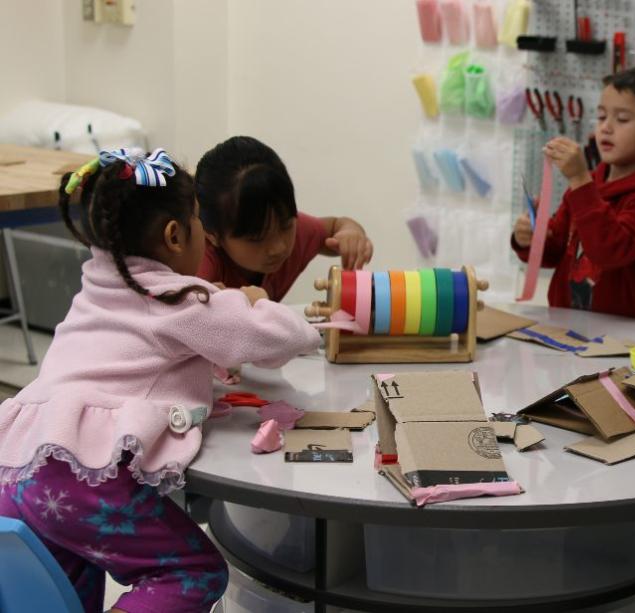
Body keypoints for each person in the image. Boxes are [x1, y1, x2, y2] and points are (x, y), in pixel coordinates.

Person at [0, 148, 320, 612]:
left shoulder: (97, 283)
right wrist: (253, 302)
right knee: (194, 573)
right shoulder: (178, 299)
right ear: (175, 236)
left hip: (25, 469)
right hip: (85, 481)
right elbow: (279, 340)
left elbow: (145, 357)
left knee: (71, 592)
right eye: (197, 224)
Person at [511, 65, 635, 324]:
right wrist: (530, 238)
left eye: (622, 119)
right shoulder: (590, 183)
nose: (605, 128)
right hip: (572, 329)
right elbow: (553, 253)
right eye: (602, 116)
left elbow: (609, 250)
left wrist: (579, 181)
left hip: (632, 338)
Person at [195, 135, 373, 301]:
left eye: (286, 225)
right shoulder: (199, 261)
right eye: (257, 239)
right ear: (212, 235)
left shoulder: (298, 232)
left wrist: (351, 233)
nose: (278, 247)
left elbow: (336, 226)